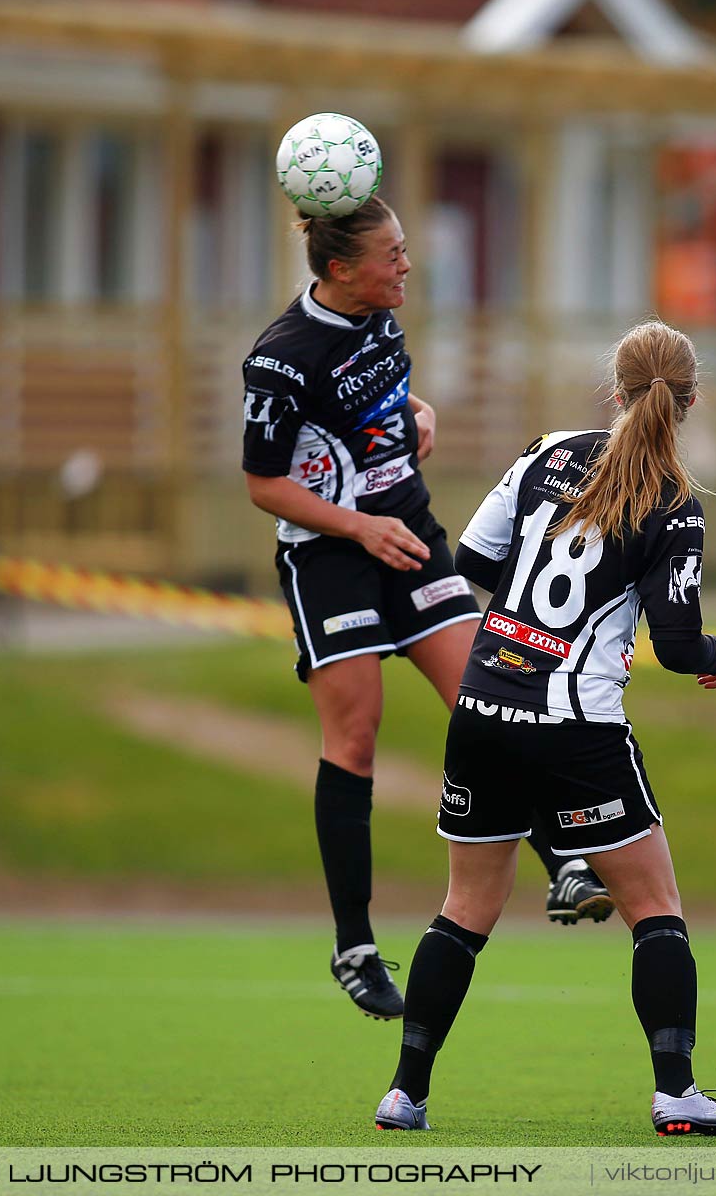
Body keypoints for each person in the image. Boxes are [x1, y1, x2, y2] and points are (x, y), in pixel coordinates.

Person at [371, 320, 716, 1138]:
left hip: (482, 706)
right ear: (690, 402)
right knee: (654, 906)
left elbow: (475, 569)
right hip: (576, 724)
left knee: (465, 907)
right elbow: (681, 644)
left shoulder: (545, 453)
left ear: (614, 391)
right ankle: (676, 1092)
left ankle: (406, 1093)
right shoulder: (674, 501)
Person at [242, 196, 611, 1023]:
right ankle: (355, 946)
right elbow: (267, 482)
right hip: (331, 554)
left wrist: (414, 412)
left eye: (406, 249)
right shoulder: (279, 359)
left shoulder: (383, 318)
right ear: (341, 270)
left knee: (494, 697)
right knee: (357, 737)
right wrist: (357, 527)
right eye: (392, 255)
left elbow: (371, 407)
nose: (407, 265)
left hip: (404, 529)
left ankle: (566, 866)